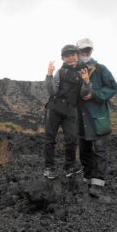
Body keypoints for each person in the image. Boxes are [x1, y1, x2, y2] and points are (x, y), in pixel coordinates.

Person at [76, 38, 117, 197]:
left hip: (99, 118)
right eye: (82, 51)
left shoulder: (100, 69)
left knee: (100, 151)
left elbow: (113, 88)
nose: (85, 54)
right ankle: (87, 179)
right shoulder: (74, 70)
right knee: (85, 151)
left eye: (88, 51)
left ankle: (98, 184)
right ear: (77, 52)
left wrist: (95, 95)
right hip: (81, 119)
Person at [43, 44, 90, 179]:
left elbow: (83, 93)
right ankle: (49, 167)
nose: (70, 58)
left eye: (73, 55)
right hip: (55, 108)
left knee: (71, 139)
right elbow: (52, 91)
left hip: (71, 110)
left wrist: (86, 81)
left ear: (77, 55)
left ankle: (70, 166)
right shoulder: (60, 72)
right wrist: (49, 74)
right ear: (63, 58)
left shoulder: (83, 72)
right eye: (67, 56)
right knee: (50, 138)